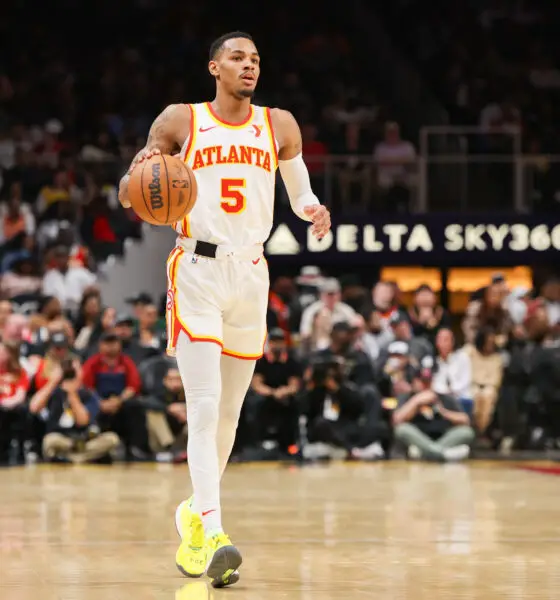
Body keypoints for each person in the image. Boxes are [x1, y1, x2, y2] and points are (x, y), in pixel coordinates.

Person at [118, 31, 331, 588]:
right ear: (214, 67)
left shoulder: (277, 124)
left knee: (230, 414)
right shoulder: (180, 120)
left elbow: (298, 187)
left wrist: (312, 210)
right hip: (198, 271)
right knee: (205, 405)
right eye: (238, 57)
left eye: (256, 58)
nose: (249, 65)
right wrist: (138, 173)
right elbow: (134, 185)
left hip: (252, 273)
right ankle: (213, 530)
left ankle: (192, 513)